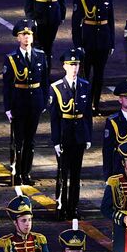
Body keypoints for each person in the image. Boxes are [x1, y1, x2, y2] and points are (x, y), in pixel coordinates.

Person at [2, 18, 51, 187]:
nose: (26, 37)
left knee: (30, 141)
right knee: (18, 140)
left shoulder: (41, 56)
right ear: (18, 38)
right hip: (18, 102)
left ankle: (26, 172)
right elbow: (7, 86)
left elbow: (45, 81)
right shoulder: (11, 58)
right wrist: (8, 107)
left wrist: (44, 101)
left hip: (35, 102)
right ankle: (17, 171)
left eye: (29, 34)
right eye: (23, 34)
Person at [49, 47, 94, 219]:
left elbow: (87, 114)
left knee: (76, 175)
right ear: (64, 67)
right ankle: (61, 206)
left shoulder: (85, 86)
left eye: (76, 65)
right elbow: (54, 118)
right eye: (71, 65)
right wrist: (56, 141)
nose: (74, 68)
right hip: (64, 136)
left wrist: (88, 136)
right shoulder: (57, 87)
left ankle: (73, 207)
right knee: (62, 173)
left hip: (79, 136)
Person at [72, 0, 114, 113]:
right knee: (85, 75)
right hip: (87, 41)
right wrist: (78, 44)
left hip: (103, 41)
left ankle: (96, 104)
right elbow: (76, 23)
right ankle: (85, 103)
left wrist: (112, 43)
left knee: (99, 75)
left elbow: (111, 21)